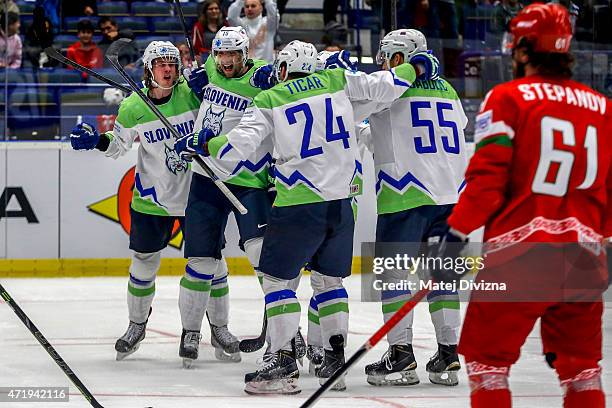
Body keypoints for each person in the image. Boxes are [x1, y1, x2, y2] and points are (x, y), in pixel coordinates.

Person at [188, 39, 439, 394]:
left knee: (276, 280)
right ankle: (333, 363)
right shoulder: (338, 81)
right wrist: (416, 67)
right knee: (329, 283)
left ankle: (283, 363)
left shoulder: (271, 98)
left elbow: (233, 151)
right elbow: (387, 84)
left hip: (299, 203)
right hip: (343, 203)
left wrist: (204, 143)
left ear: (285, 69)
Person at [431, 3, 611, 407]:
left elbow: (487, 182)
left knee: (488, 365)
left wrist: (456, 234)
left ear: (526, 48)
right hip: (585, 257)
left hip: (520, 254)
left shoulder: (508, 98)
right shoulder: (604, 108)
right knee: (582, 371)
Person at [68, 42, 202, 366]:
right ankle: (137, 325)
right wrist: (96, 140)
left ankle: (202, 330)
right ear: (149, 70)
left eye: (172, 63)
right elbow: (117, 146)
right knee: (142, 264)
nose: (168, 69)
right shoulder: (133, 107)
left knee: (207, 264)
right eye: (161, 65)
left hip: (196, 195)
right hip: (152, 198)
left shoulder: (194, 94)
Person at [360, 29, 467, 388]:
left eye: (389, 57)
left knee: (393, 275)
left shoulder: (391, 86)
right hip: (449, 195)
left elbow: (367, 101)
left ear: (403, 58)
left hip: (404, 191)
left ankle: (401, 354)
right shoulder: (449, 89)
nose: (382, 63)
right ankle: (448, 354)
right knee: (443, 276)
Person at [174, 26, 281, 365]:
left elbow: (282, 98)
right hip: (206, 176)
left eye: (233, 54)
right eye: (221, 54)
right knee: (200, 262)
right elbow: (193, 90)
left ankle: (285, 335)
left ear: (245, 54)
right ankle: (191, 333)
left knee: (261, 254)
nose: (226, 61)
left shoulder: (262, 75)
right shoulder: (208, 68)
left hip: (248, 179)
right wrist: (195, 87)